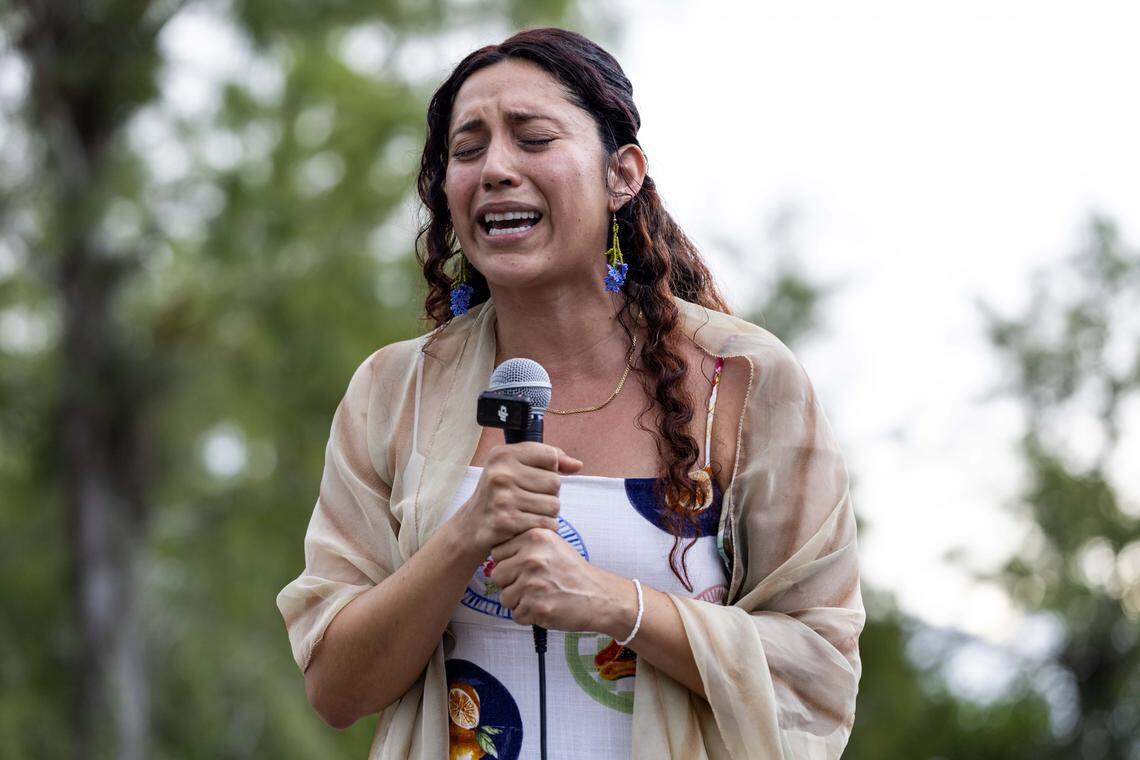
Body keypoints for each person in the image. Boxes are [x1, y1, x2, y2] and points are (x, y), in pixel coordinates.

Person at [277, 27, 863, 759]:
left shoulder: (739, 379)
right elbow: (337, 688)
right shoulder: (397, 391)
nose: (495, 169)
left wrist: (615, 602)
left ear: (623, 174)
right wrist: (465, 535)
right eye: (468, 149)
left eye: (532, 138)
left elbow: (819, 673)